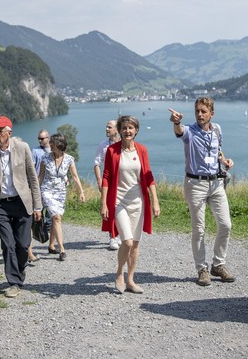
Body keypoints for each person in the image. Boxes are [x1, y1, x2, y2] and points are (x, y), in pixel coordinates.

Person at [168, 97, 236, 287]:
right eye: (197, 111)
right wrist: (176, 121)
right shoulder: (189, 131)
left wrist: (224, 161)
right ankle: (202, 269)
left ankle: (218, 265)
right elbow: (179, 131)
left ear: (211, 114)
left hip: (216, 183)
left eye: (203, 111)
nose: (199, 114)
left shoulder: (217, 130)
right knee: (199, 229)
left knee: (226, 225)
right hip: (195, 184)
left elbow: (218, 151)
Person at [0, 116, 42, 298]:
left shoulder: (22, 148)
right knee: (8, 244)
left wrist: (37, 206)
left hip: (22, 203)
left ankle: (20, 268)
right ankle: (14, 282)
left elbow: (33, 178)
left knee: (23, 245)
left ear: (9, 133)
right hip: (0, 206)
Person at [100, 115, 160, 294]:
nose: (127, 131)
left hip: (138, 202)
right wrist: (103, 203)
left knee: (134, 243)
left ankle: (131, 280)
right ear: (119, 130)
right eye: (124, 128)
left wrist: (155, 200)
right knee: (125, 241)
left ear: (136, 131)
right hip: (119, 201)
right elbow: (106, 177)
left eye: (131, 128)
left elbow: (148, 175)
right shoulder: (112, 150)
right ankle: (119, 273)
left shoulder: (142, 150)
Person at [39, 133, 85, 261]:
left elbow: (75, 176)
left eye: (52, 142)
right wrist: (35, 192)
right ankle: (62, 249)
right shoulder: (45, 157)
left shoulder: (69, 159)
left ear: (59, 145)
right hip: (47, 190)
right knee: (57, 217)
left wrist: (81, 191)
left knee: (56, 218)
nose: (50, 144)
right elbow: (41, 176)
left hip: (61, 191)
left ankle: (51, 246)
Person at [94, 120, 122, 250]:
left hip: (122, 181)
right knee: (110, 208)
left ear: (117, 129)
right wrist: (99, 180)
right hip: (108, 181)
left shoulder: (124, 144)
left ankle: (120, 233)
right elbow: (96, 164)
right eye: (106, 126)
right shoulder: (103, 145)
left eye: (109, 127)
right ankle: (112, 236)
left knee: (121, 207)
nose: (106, 129)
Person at [29, 129, 51, 264]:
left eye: (42, 138)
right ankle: (39, 235)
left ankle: (51, 243)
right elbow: (32, 167)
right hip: (39, 186)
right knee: (37, 214)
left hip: (51, 187)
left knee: (52, 216)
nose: (40, 141)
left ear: (48, 138)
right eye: (39, 138)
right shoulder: (35, 151)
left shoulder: (53, 150)